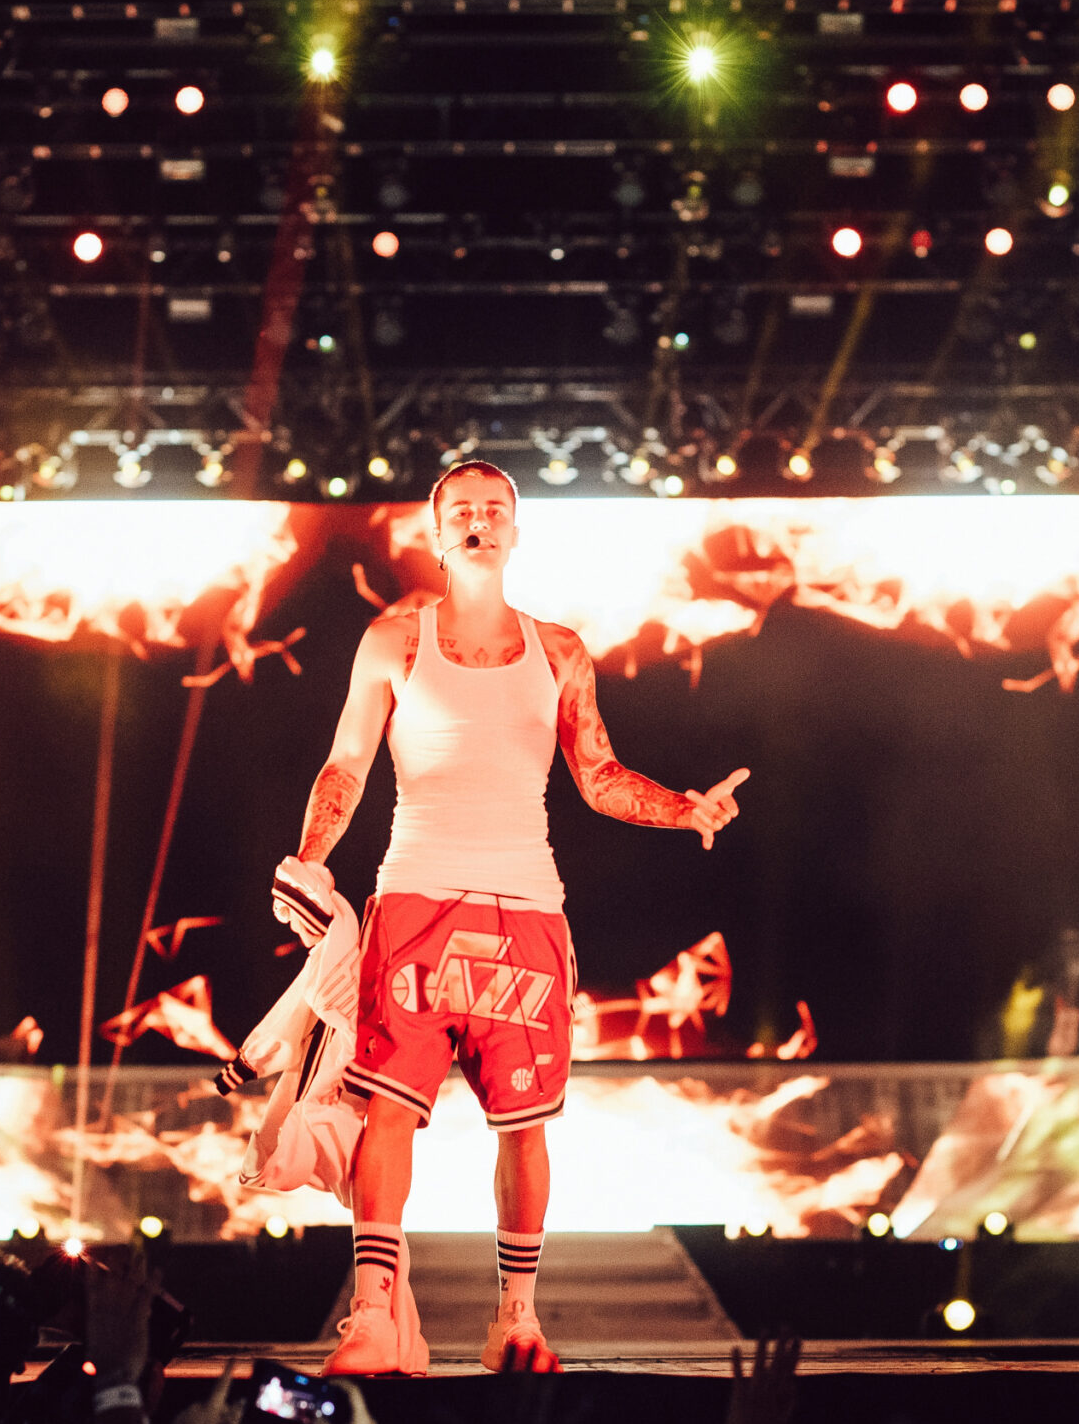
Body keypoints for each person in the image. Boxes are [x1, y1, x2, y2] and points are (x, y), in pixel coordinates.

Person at [279, 459, 747, 1376]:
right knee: (387, 1111)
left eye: (495, 509)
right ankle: (371, 1317)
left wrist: (684, 808)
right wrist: (310, 856)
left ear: (516, 532)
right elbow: (348, 761)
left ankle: (517, 1321)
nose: (479, 521)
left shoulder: (560, 651)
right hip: (415, 898)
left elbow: (598, 775)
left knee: (524, 1122)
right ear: (436, 533)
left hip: (526, 908)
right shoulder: (393, 639)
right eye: (462, 510)